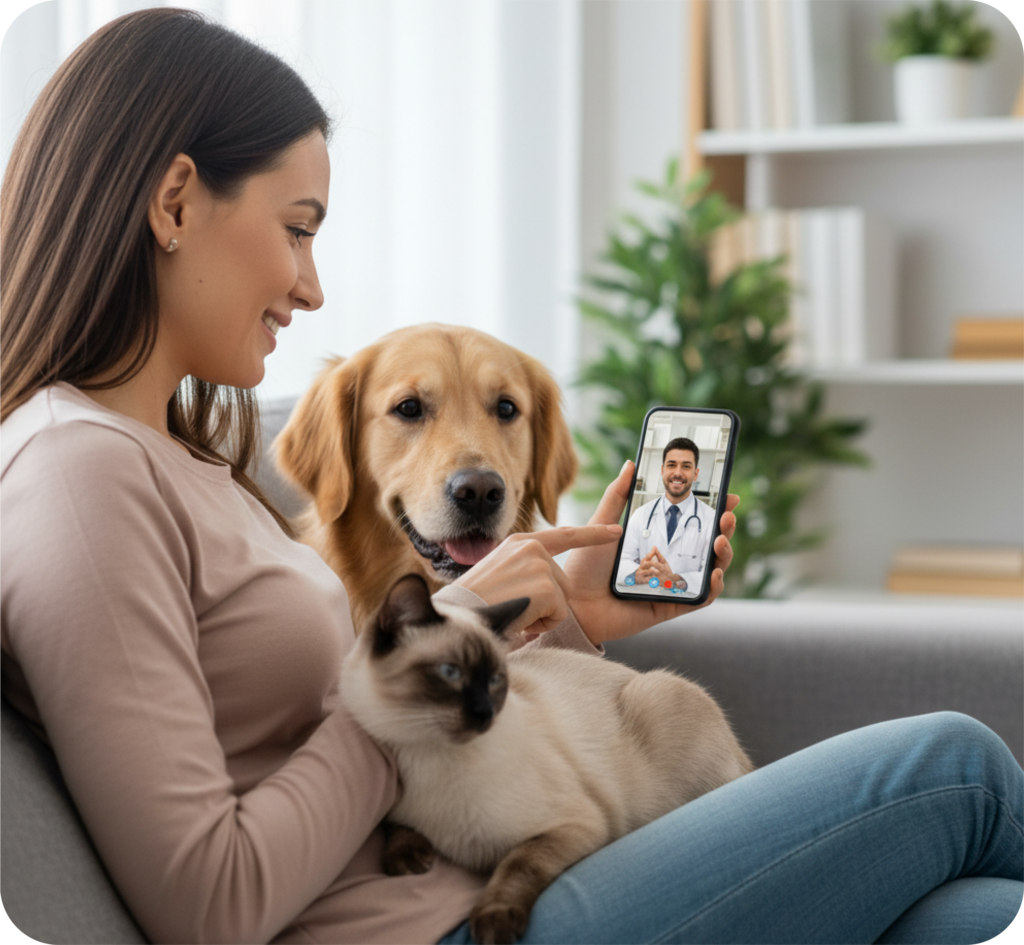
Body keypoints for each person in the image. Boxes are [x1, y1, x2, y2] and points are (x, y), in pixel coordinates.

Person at [0, 10, 1020, 945]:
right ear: (175, 199)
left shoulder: (179, 457)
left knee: (970, 918)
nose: (312, 286)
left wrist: (533, 617)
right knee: (952, 761)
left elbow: (320, 724)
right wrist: (459, 630)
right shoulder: (77, 479)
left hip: (480, 874)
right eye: (299, 227)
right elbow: (206, 905)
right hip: (455, 926)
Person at [616, 437, 716, 597]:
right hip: (641, 602)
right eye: (671, 465)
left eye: (686, 466)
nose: (678, 473)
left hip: (686, 609)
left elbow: (711, 574)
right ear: (662, 470)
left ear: (695, 474)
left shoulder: (711, 519)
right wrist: (636, 573)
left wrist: (676, 579)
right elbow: (620, 563)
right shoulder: (641, 514)